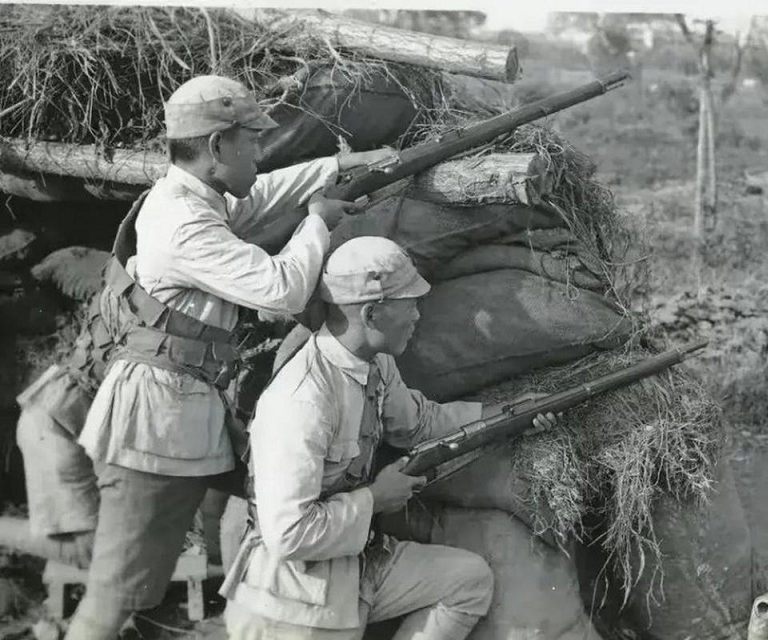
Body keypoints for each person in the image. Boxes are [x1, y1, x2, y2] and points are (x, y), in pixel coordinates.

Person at [64, 75, 396, 640]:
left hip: (181, 420)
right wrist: (316, 220)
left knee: (161, 570)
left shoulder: (194, 196)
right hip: (156, 431)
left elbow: (261, 193)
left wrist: (336, 169)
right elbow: (285, 290)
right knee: (114, 595)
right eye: (251, 141)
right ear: (217, 148)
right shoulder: (183, 223)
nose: (260, 152)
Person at [220, 236, 559, 639]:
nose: (417, 316)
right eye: (409, 303)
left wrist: (513, 412)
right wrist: (377, 498)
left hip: (352, 564)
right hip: (292, 602)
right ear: (372, 313)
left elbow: (419, 422)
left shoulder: (375, 362)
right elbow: (289, 535)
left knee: (467, 580)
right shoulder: (302, 401)